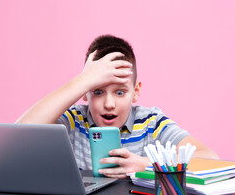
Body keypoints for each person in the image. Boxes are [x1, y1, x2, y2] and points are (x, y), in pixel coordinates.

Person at [16, 34, 219, 178]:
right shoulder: (74, 120)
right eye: (97, 91)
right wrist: (83, 81)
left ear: (136, 91)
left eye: (120, 92)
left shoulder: (150, 122)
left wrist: (148, 165)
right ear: (85, 93)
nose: (109, 104)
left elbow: (209, 158)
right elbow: (20, 135)